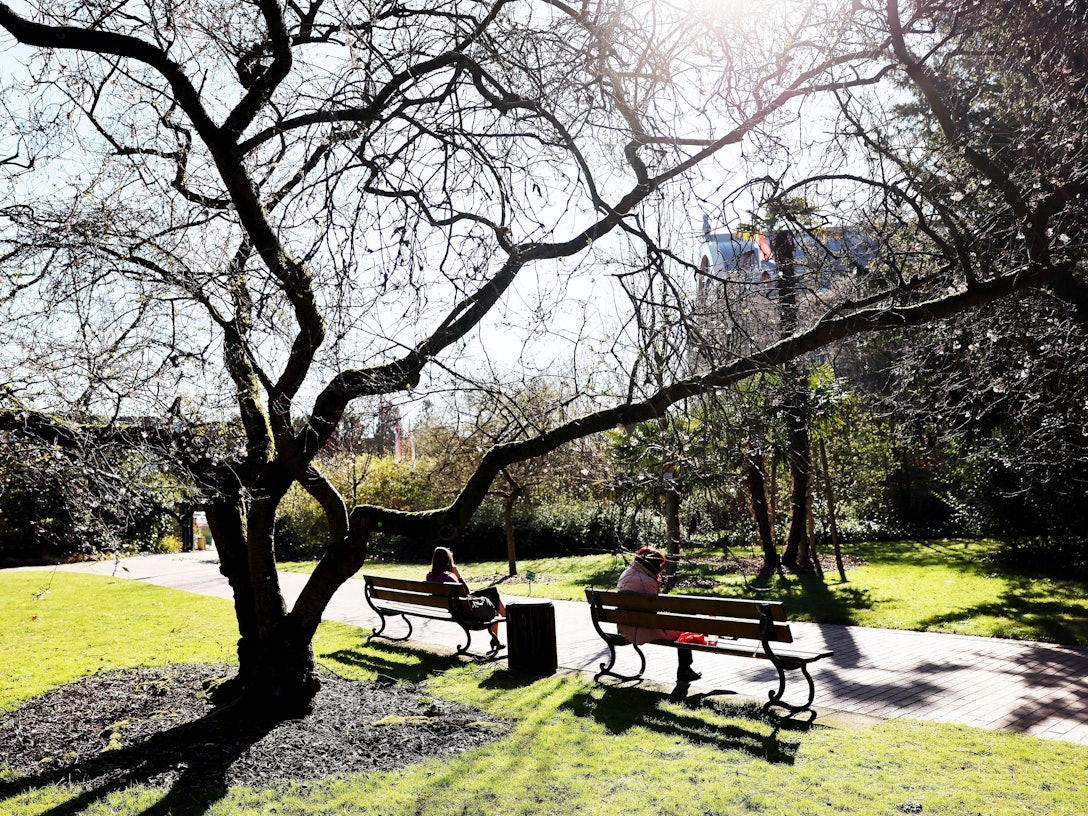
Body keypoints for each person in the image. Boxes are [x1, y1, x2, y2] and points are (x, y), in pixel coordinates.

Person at [616, 546, 701, 683]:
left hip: (626, 627)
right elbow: (655, 614)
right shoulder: (648, 581)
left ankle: (685, 669)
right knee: (683, 626)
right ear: (654, 565)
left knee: (679, 623)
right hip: (645, 630)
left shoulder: (625, 574)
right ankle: (684, 670)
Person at [426, 546, 506, 650]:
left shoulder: (429, 576)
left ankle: (497, 636)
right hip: (464, 609)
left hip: (455, 607)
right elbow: (466, 592)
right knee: (493, 594)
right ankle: (505, 617)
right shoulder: (448, 577)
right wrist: (458, 575)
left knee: (491, 592)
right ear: (447, 561)